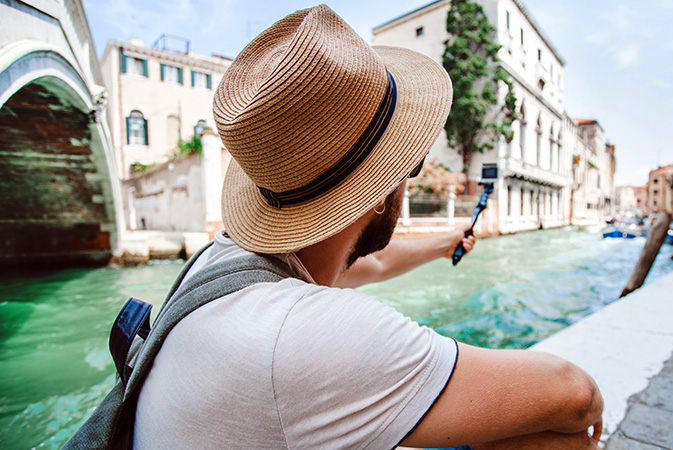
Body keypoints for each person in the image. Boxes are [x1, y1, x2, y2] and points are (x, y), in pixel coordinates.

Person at [132, 5, 603, 450]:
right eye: (409, 163)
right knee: (552, 437)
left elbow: (367, 261)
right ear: (379, 190)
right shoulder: (308, 332)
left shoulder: (226, 261)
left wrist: (444, 243)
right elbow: (574, 392)